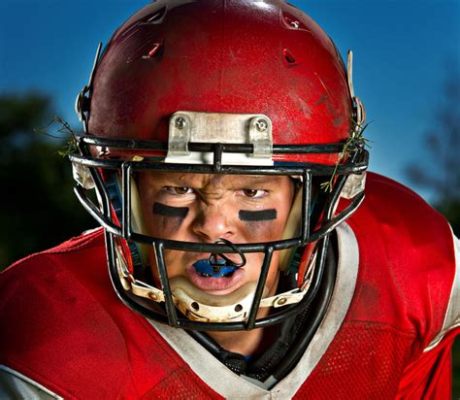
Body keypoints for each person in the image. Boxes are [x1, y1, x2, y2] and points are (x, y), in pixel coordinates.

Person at [1, 0, 458, 398]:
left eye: (252, 190)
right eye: (178, 188)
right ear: (124, 194)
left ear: (317, 198)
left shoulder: (411, 268)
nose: (215, 225)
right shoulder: (44, 340)